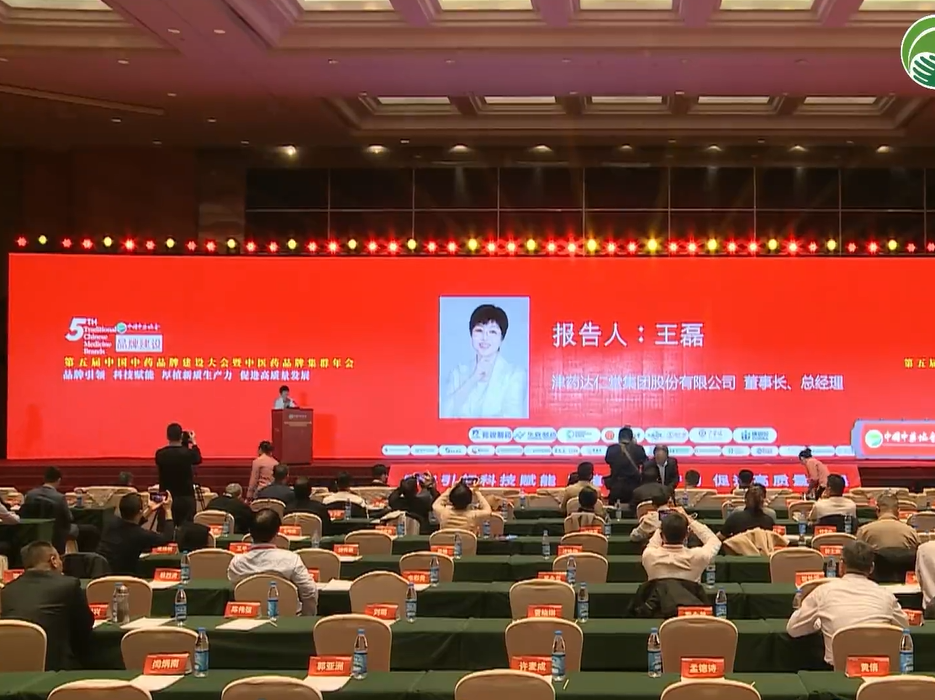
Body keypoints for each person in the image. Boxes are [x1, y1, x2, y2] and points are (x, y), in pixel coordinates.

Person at [787, 540, 909, 666]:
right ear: (871, 568)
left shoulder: (823, 592)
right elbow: (905, 627)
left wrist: (818, 624)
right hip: (878, 669)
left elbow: (793, 629)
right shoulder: (886, 595)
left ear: (841, 565)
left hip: (836, 671)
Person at [0, 541, 93, 670]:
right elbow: (84, 627)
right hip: (55, 668)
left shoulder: (7, 590)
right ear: (53, 560)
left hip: (9, 668)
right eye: (59, 559)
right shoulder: (69, 585)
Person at [441, 303, 528, 419]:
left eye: (492, 332)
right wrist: (474, 378)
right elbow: (445, 414)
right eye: (479, 330)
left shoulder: (515, 374)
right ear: (471, 334)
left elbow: (512, 417)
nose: (485, 338)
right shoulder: (457, 373)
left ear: (502, 338)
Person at [228, 509, 317, 614]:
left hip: (248, 617)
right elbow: (310, 592)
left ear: (250, 533)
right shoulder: (291, 559)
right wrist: (306, 618)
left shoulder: (237, 563)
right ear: (277, 533)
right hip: (289, 618)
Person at [96, 492, 175, 575]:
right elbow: (167, 537)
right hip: (124, 577)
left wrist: (150, 510)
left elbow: (131, 525)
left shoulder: (109, 523)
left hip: (100, 575)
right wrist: (168, 510)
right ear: (140, 511)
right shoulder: (140, 535)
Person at [642, 509, 721, 582]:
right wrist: (690, 520)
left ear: (661, 535)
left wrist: (662, 526)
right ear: (687, 535)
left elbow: (654, 543)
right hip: (690, 594)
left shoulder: (649, 556)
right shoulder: (698, 556)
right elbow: (714, 541)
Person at [22, 467, 78, 553]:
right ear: (59, 480)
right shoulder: (59, 497)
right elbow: (69, 518)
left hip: (31, 532)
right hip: (56, 534)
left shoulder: (30, 495)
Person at [155, 423, 202, 524]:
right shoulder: (188, 453)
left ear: (167, 436)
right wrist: (193, 442)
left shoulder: (160, 454)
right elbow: (197, 458)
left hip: (166, 499)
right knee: (186, 528)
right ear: (181, 436)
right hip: (186, 499)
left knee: (165, 527)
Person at [604, 427, 646, 507]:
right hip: (634, 487)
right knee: (633, 510)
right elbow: (645, 462)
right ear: (631, 438)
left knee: (613, 510)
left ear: (619, 438)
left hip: (616, 486)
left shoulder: (611, 449)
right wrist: (634, 445)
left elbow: (608, 460)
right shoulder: (638, 449)